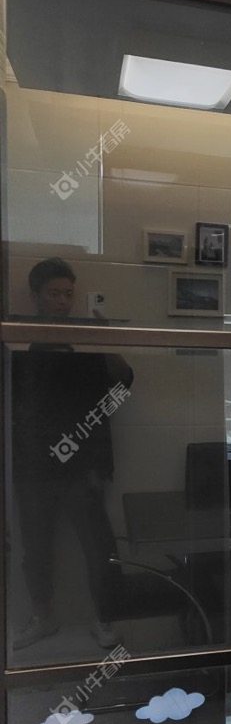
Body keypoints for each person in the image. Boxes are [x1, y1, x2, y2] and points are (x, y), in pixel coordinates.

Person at [9, 259, 133, 652]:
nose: (63, 302)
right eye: (54, 294)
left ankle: (104, 618)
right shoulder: (19, 337)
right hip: (35, 460)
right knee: (35, 546)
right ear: (35, 296)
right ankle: (43, 616)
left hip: (80, 459)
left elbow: (124, 383)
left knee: (98, 547)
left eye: (68, 294)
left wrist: (104, 338)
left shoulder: (85, 336)